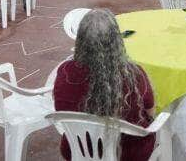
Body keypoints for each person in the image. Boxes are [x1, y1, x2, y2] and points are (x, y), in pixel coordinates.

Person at [54, 9, 156, 161]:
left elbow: (60, 109)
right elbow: (150, 112)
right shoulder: (134, 74)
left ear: (80, 39)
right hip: (126, 153)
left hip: (79, 149)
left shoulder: (65, 71)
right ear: (116, 39)